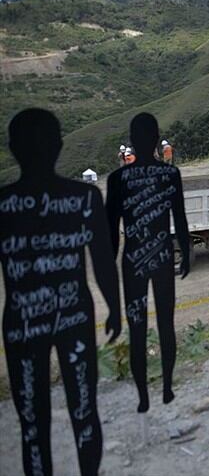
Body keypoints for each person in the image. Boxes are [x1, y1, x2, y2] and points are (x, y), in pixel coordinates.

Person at [1, 108, 122, 476]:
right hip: (73, 318)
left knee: (33, 426)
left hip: (23, 324)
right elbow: (102, 262)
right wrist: (114, 309)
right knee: (84, 413)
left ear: (12, 148)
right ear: (59, 146)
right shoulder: (83, 198)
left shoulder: (3, 205)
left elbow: (103, 260)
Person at [106, 113, 190, 413]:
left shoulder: (118, 180)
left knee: (137, 328)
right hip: (163, 256)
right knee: (166, 325)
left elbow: (110, 232)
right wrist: (188, 254)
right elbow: (179, 220)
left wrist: (108, 268)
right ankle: (166, 387)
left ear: (131, 142)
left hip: (133, 260)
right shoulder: (170, 175)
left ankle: (144, 395)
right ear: (157, 140)